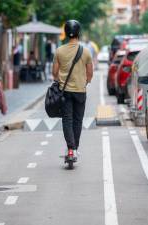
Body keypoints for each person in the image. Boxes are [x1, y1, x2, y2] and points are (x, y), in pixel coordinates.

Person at [52, 20, 93, 160]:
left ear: (66, 33)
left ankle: (71, 148)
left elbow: (54, 72)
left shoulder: (59, 51)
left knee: (67, 120)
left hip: (64, 92)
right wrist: (84, 82)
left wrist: (60, 81)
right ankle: (75, 149)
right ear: (78, 33)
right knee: (77, 120)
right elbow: (90, 74)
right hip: (80, 91)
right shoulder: (86, 51)